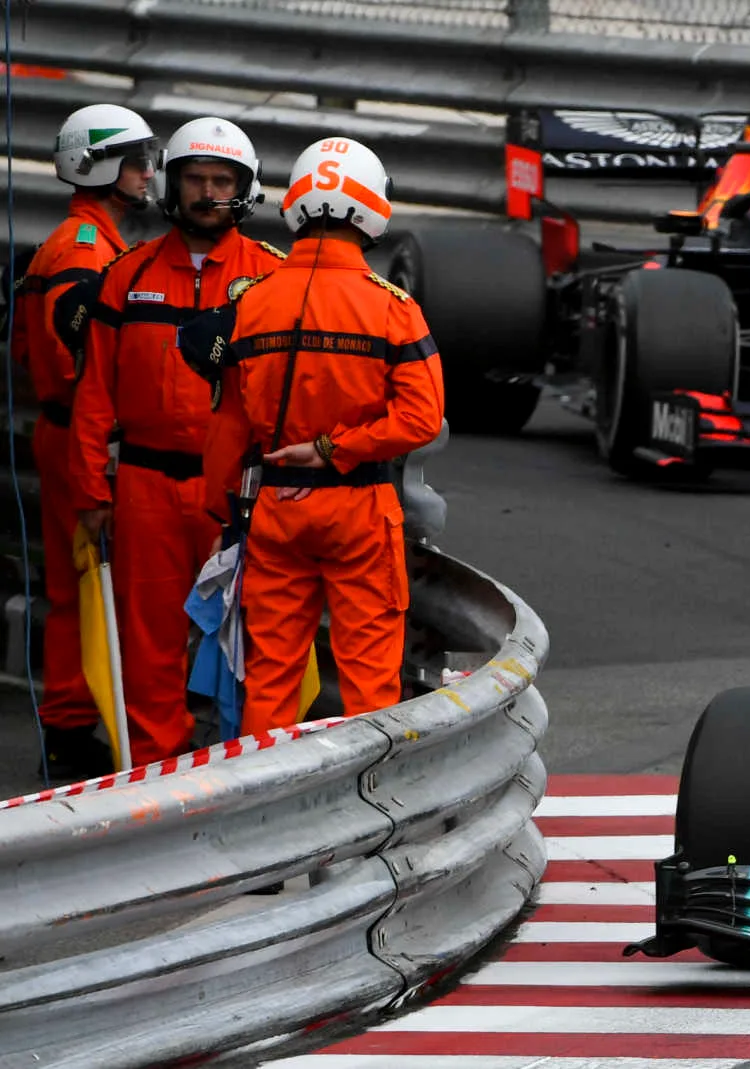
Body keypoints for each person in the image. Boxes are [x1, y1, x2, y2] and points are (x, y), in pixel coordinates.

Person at [201, 136, 444, 734]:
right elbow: (420, 419)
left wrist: (222, 514)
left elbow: (228, 426)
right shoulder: (392, 308)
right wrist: (337, 449)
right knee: (369, 683)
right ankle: (372, 814)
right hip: (358, 509)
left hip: (274, 511)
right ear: (370, 208)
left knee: (271, 678)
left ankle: (264, 810)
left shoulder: (251, 303)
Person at [68, 116, 284, 766]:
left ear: (244, 190)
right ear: (171, 182)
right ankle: (155, 791)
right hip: (144, 490)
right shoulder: (124, 277)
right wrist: (89, 489)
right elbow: (93, 396)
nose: (209, 192)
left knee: (249, 646)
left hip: (238, 493)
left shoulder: (273, 280)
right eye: (196, 178)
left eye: (223, 181)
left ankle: (243, 785)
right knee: (149, 646)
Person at [10, 104, 159, 777]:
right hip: (84, 438)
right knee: (91, 587)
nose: (147, 174)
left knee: (80, 587)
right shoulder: (84, 253)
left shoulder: (78, 244)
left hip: (67, 431)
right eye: (135, 161)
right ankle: (75, 734)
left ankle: (74, 728)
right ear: (98, 166)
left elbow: (21, 348)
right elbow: (88, 359)